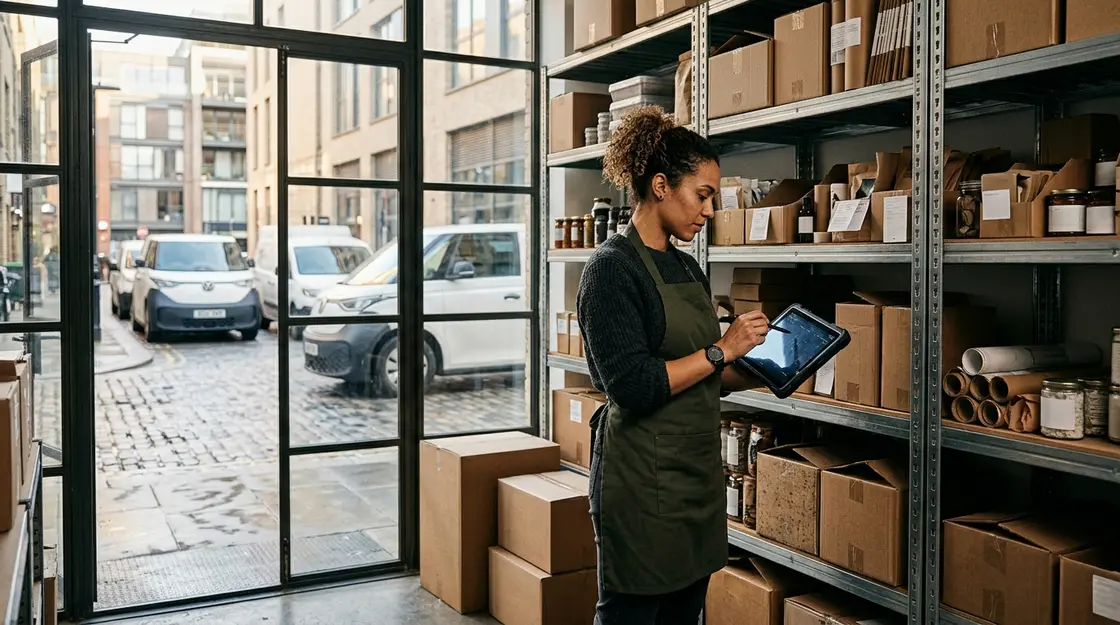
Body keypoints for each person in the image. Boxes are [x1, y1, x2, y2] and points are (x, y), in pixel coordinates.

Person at [576, 106, 772, 624]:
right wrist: (723, 349)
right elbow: (635, 387)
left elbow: (704, 372)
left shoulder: (687, 266)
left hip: (694, 481)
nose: (709, 210)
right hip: (641, 484)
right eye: (702, 195)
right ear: (661, 186)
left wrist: (761, 370)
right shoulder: (611, 270)